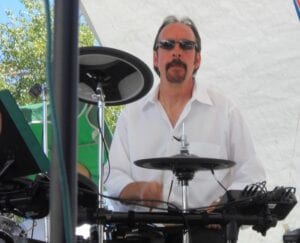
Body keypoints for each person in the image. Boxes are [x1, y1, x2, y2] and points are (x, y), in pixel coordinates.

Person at [105, 15, 265, 243]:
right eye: (168, 45)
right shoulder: (131, 116)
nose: (176, 52)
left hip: (208, 232)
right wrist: (139, 191)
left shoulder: (225, 111)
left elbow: (251, 175)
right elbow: (112, 178)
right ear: (155, 58)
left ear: (197, 59)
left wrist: (224, 206)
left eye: (186, 46)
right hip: (146, 233)